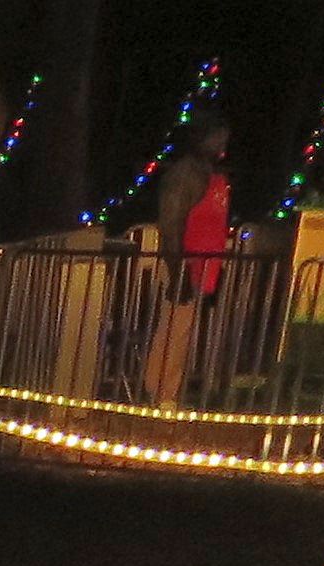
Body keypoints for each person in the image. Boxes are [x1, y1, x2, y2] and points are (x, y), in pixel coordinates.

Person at [139, 117, 233, 407]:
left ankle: (161, 390)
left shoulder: (209, 174)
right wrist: (178, 271)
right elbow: (171, 224)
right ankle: (163, 394)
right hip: (184, 263)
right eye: (217, 139)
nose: (222, 146)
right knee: (175, 331)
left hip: (201, 266)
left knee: (178, 331)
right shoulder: (185, 174)